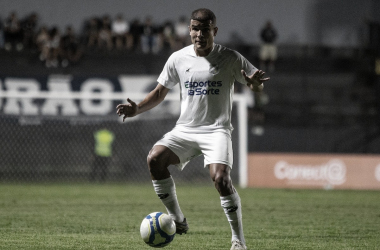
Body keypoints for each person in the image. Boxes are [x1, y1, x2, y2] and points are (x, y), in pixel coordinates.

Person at [116, 8, 269, 250]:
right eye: (195, 29)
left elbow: (256, 84)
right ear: (189, 30)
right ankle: (177, 219)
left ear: (214, 31)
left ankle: (238, 241)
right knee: (155, 158)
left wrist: (254, 85)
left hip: (216, 130)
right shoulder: (178, 58)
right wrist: (137, 110)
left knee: (221, 179)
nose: (199, 34)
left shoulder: (230, 57)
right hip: (186, 129)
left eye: (205, 29)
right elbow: (158, 93)